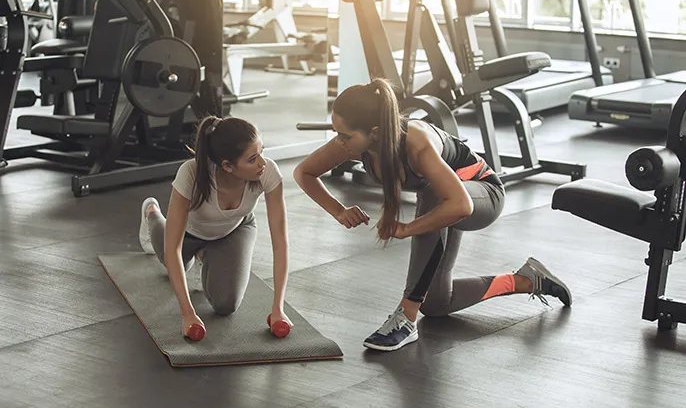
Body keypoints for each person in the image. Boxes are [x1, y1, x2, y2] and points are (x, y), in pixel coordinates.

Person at [293, 78, 572, 352]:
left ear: (375, 132)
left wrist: (407, 229)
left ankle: (405, 317)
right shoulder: (357, 143)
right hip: (450, 202)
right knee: (437, 303)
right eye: (336, 133)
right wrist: (339, 210)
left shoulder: (416, 143)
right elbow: (304, 172)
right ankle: (526, 279)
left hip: (483, 195)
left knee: (433, 192)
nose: (339, 142)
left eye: (344, 135)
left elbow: (461, 205)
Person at [137, 116, 293, 339]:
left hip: (234, 230)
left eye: (262, 152)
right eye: (252, 159)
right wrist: (188, 314)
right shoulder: (191, 172)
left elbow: (280, 244)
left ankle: (208, 254)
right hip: (188, 233)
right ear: (228, 166)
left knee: (225, 305)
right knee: (177, 262)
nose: (262, 163)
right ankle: (151, 213)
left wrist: (278, 309)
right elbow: (173, 248)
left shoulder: (267, 172)